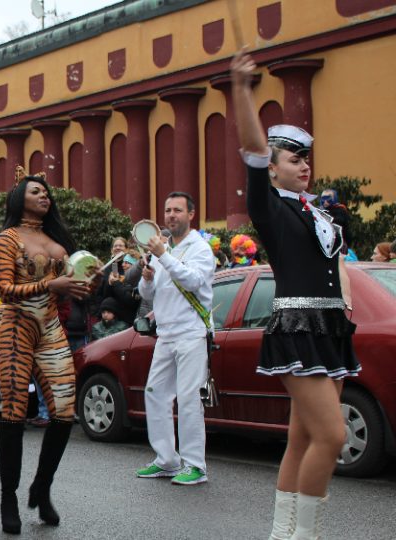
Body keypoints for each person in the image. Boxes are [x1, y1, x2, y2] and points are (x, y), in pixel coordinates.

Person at [232, 48, 359, 540]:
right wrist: (242, 90)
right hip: (297, 327)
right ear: (274, 167)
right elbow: (251, 150)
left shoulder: (319, 214)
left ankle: (282, 534)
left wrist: (346, 302)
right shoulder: (270, 209)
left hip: (330, 328)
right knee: (333, 435)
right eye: (293, 158)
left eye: (306, 158)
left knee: (303, 437)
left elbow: (337, 264)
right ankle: (304, 536)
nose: (303, 165)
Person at [0, 172, 94, 534]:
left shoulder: (55, 240)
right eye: (36, 191)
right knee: (15, 410)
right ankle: (9, 497)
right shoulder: (8, 238)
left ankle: (43, 485)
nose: (44, 196)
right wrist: (51, 283)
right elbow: (4, 289)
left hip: (50, 326)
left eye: (47, 192)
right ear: (19, 197)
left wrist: (82, 284)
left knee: (65, 411)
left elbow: (68, 283)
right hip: (15, 323)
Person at [134, 192, 214, 487]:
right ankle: (166, 459)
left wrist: (163, 256)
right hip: (165, 334)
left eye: (177, 210)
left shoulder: (200, 248)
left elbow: (193, 281)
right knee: (155, 393)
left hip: (191, 333)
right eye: (167, 211)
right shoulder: (162, 250)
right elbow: (147, 295)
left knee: (190, 399)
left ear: (191, 214)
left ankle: (195, 465)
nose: (170, 216)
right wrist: (146, 278)